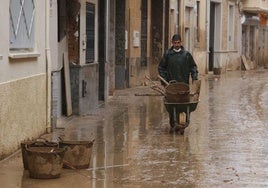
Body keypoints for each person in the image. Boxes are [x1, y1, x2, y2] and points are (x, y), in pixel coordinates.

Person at [158, 34, 198, 128]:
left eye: (178, 43)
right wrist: (164, 80)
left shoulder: (186, 55)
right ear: (172, 43)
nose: (176, 44)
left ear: (181, 42)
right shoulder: (168, 54)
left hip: (184, 84)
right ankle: (173, 122)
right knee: (172, 104)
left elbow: (193, 67)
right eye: (175, 43)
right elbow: (161, 67)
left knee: (184, 103)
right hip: (171, 85)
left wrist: (194, 77)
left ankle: (185, 119)